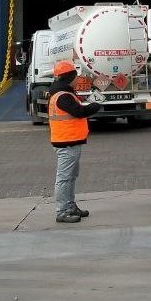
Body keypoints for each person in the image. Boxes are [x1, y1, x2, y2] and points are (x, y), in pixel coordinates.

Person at [47, 60, 99, 223]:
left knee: (70, 176)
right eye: (76, 76)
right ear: (70, 77)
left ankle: (69, 206)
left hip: (69, 141)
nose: (78, 79)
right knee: (64, 178)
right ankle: (62, 211)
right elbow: (79, 112)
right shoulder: (63, 96)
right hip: (66, 142)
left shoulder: (62, 94)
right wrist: (94, 106)